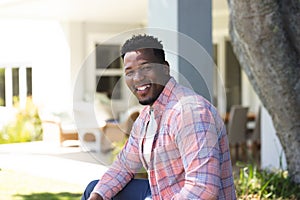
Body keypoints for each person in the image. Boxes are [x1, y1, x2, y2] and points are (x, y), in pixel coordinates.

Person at [81, 34, 236, 200]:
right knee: (95, 190)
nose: (138, 78)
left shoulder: (189, 111)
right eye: (130, 72)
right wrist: (98, 195)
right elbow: (124, 166)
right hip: (163, 194)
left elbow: (203, 190)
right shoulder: (147, 116)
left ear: (165, 68)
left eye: (146, 68)